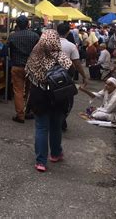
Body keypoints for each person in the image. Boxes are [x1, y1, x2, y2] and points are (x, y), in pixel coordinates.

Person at [26, 29, 73, 172]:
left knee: (41, 127)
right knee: (56, 126)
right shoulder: (61, 56)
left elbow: (27, 73)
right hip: (59, 97)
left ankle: (41, 162)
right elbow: (71, 74)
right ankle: (55, 154)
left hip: (39, 96)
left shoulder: (35, 55)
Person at [7, 15, 40, 123]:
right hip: (31, 67)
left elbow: (4, 52)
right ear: (28, 24)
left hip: (17, 66)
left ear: (17, 25)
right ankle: (27, 111)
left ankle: (20, 115)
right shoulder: (35, 36)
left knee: (18, 91)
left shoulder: (12, 36)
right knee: (30, 90)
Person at [57, 23, 88, 131]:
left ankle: (54, 120)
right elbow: (77, 63)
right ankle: (62, 119)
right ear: (68, 32)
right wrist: (84, 76)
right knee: (67, 99)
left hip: (50, 76)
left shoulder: (48, 44)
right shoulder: (71, 46)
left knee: (51, 97)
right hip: (65, 76)